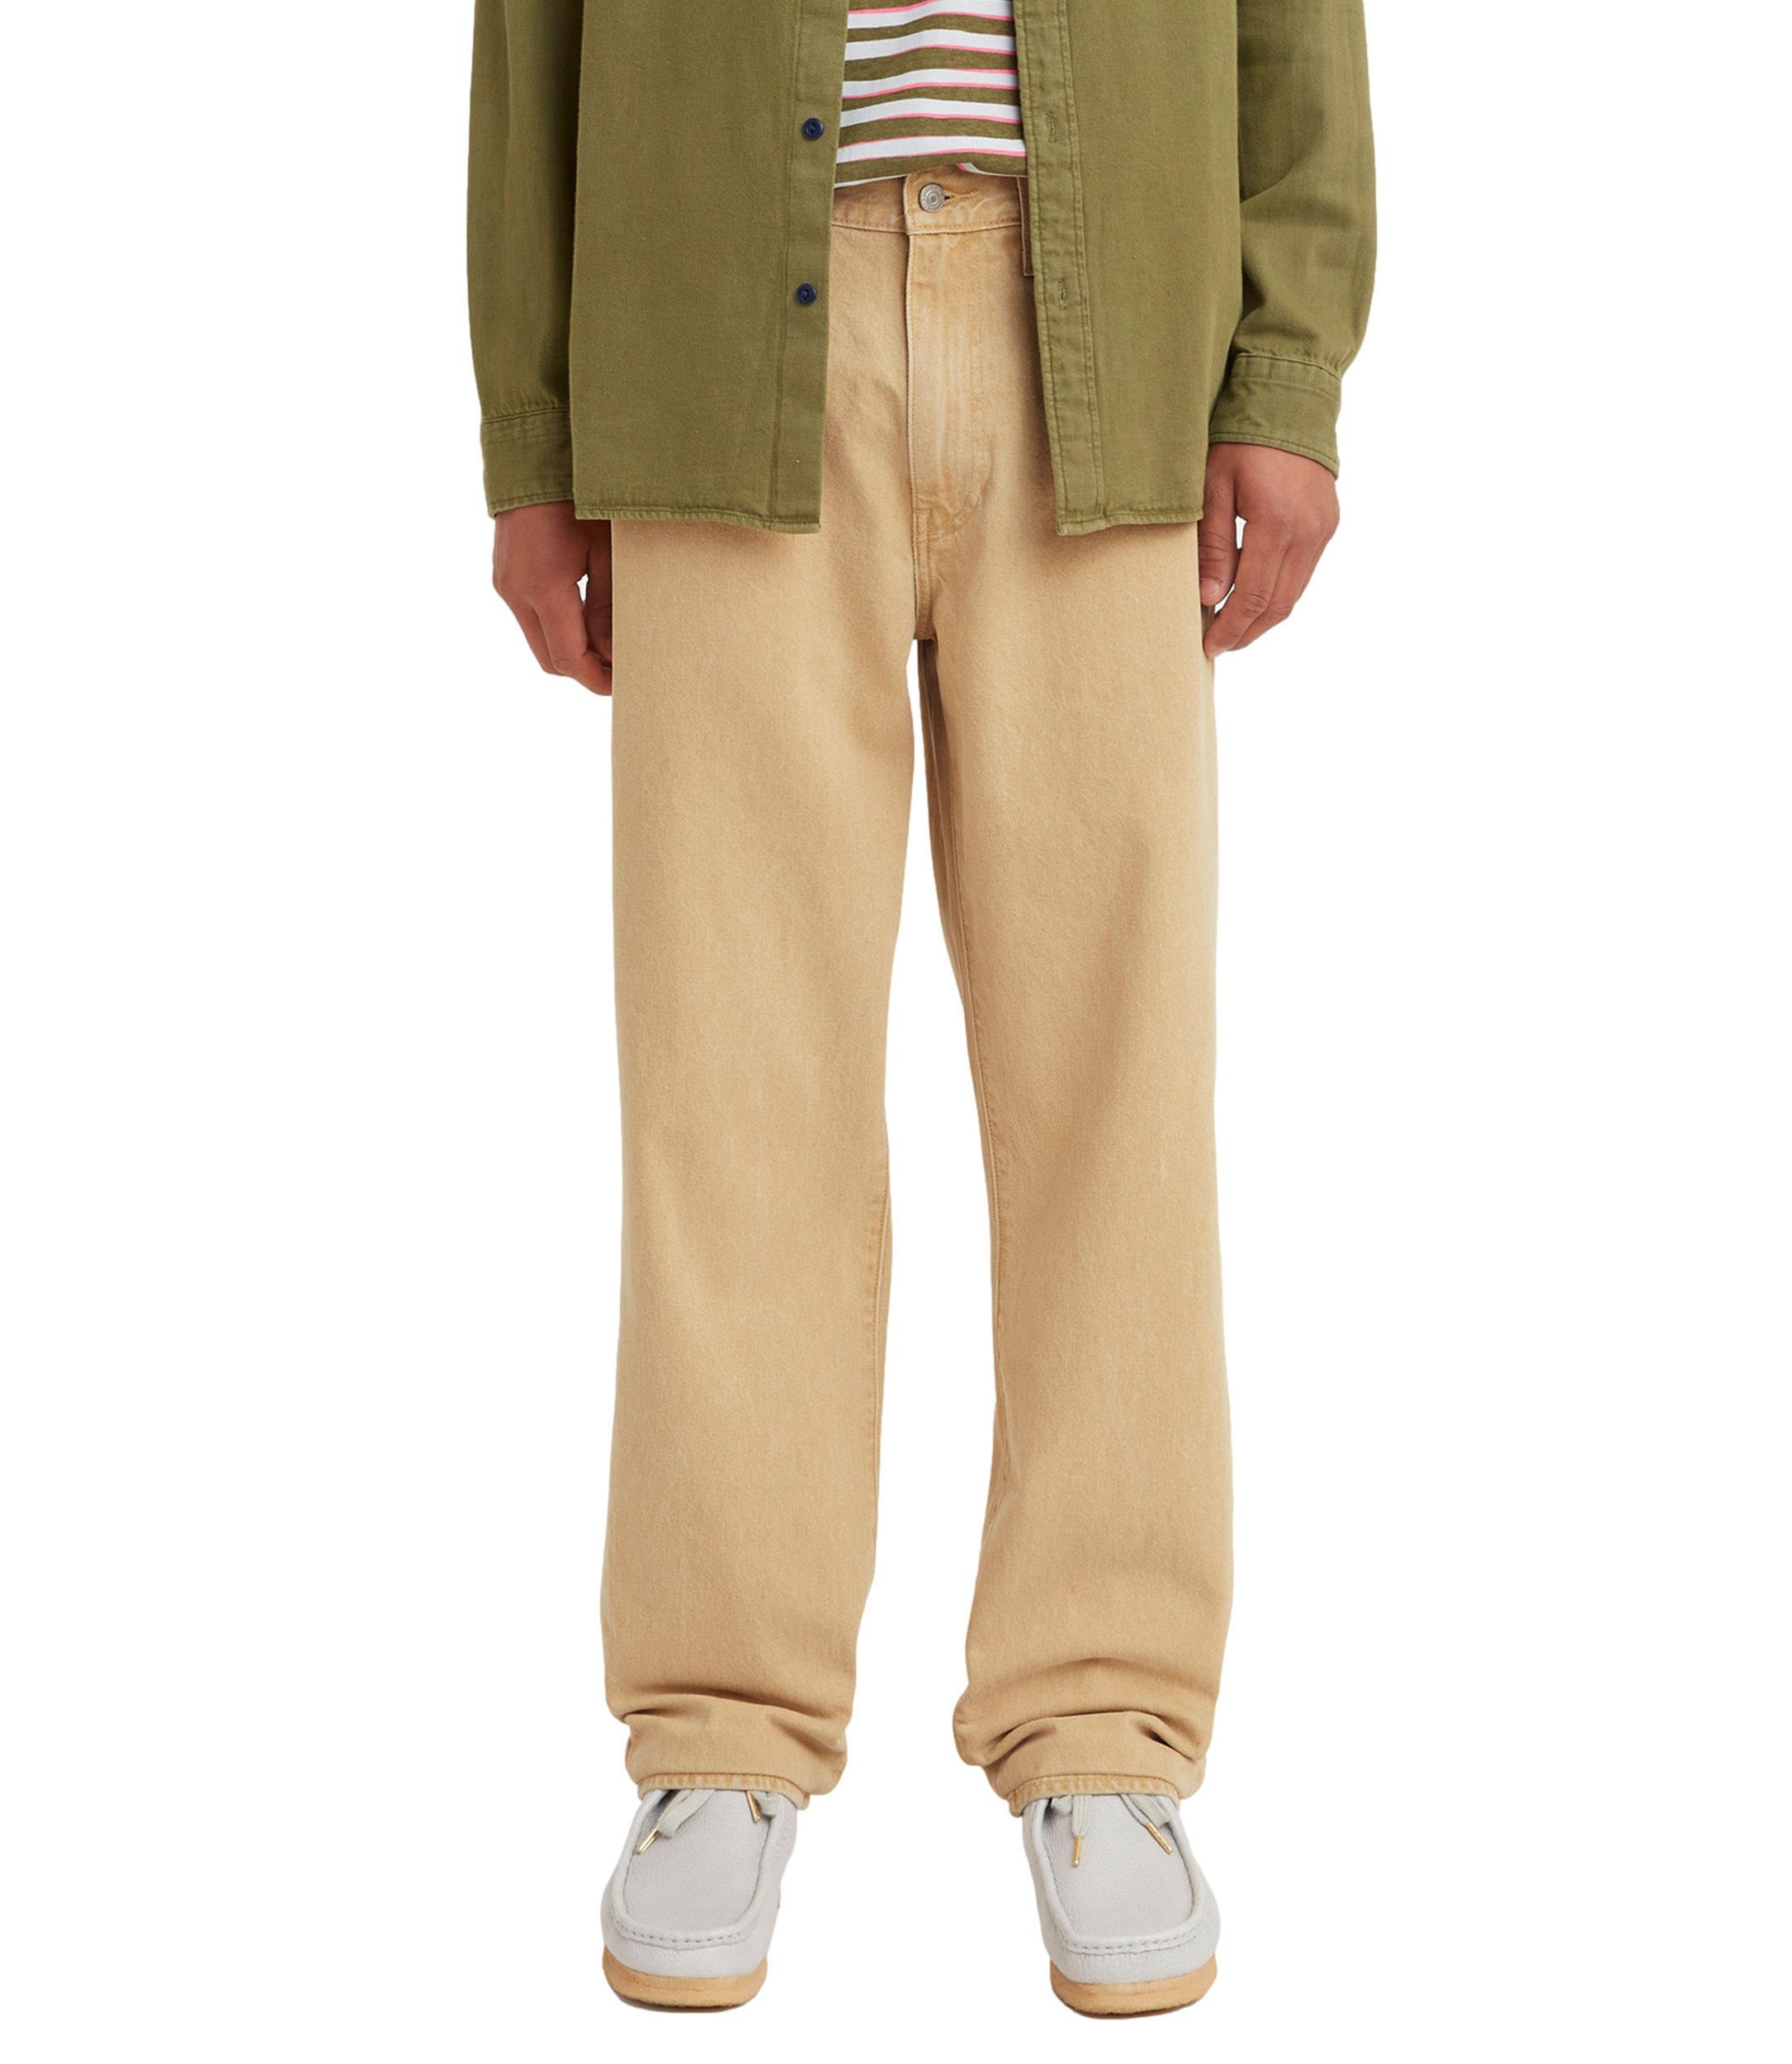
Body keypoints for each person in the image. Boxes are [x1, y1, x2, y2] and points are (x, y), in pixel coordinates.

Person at [468, 0, 1374, 2018]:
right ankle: (719, 1720)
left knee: (1112, 1071)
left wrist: (1286, 370)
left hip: (1102, 302)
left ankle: (1105, 1720)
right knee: (729, 1069)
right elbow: (529, 31)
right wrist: (533, 430)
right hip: (707, 305)